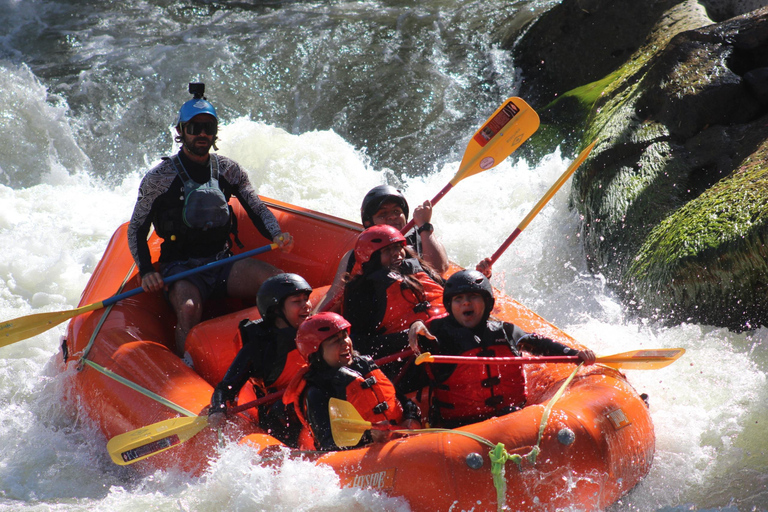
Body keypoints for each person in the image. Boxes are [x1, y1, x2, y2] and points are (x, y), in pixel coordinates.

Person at [127, 83, 294, 358]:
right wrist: (146, 271)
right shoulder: (159, 178)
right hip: (180, 269)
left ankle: (280, 352)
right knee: (189, 308)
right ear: (181, 131)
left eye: (209, 127)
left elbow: (256, 208)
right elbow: (137, 228)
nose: (202, 134)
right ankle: (187, 367)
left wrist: (276, 235)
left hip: (222, 262)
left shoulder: (229, 169)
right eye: (194, 127)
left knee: (281, 285)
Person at [408, 269, 596, 428]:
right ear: (450, 306)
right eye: (459, 299)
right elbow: (408, 372)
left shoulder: (505, 331)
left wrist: (574, 354)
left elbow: (541, 344)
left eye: (473, 296)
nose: (466, 303)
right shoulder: (438, 335)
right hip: (460, 428)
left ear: (487, 303)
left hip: (512, 419)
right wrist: (415, 324)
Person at [282, 312, 421, 451]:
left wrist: (411, 417)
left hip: (398, 443)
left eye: (345, 336)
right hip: (363, 457)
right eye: (335, 340)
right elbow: (327, 444)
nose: (345, 344)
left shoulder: (363, 367)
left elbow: (401, 401)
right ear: (316, 352)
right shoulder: (317, 392)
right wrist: (369, 436)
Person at [208, 273, 311, 444]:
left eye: (306, 299)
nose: (306, 306)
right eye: (296, 301)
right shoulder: (259, 347)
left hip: (315, 399)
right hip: (281, 415)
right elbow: (225, 388)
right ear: (276, 310)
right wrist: (218, 409)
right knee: (282, 409)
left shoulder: (315, 331)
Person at [315, 185, 448, 312]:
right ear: (369, 223)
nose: (392, 217)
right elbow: (334, 294)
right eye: (383, 214)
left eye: (397, 211)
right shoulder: (355, 255)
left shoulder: (422, 240)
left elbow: (439, 269)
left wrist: (424, 225)